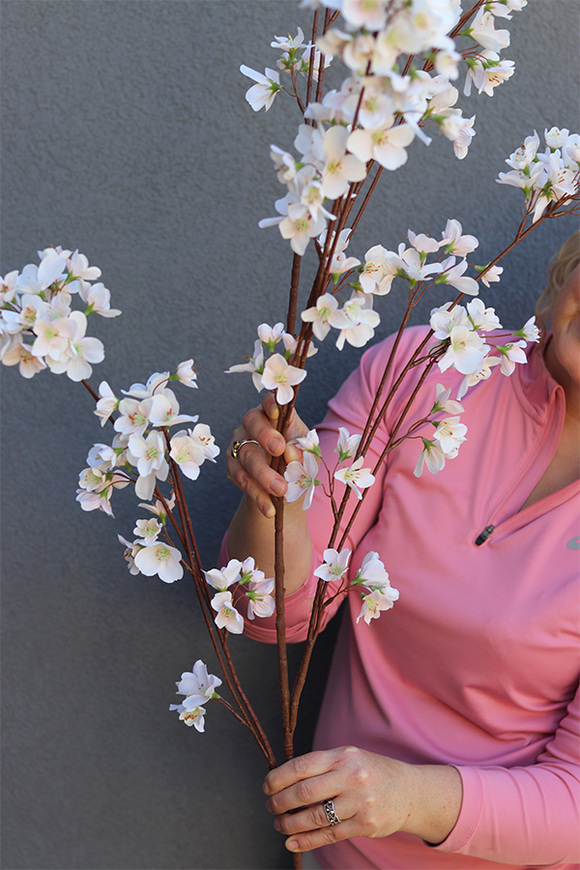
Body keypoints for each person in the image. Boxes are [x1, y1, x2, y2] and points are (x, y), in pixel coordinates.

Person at [223, 233, 580, 870]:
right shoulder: (429, 369)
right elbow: (279, 616)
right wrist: (276, 505)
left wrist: (408, 797)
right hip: (334, 854)